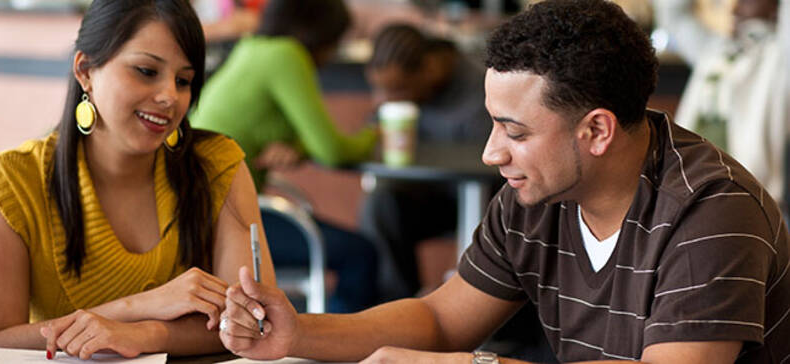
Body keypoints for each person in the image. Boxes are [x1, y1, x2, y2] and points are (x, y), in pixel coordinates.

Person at [217, 0, 790, 362]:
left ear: (596, 131)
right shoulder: (540, 190)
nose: (493, 152)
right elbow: (441, 320)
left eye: (513, 130)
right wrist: (298, 335)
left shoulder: (714, 212)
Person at [0, 0, 275, 359]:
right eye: (146, 71)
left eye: (184, 80)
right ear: (85, 71)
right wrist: (143, 305)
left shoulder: (216, 166)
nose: (169, 97)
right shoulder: (11, 183)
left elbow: (251, 326)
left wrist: (148, 334)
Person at [191, 0, 380, 313]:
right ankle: (336, 352)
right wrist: (375, 133)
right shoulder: (286, 56)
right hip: (225, 218)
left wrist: (300, 147)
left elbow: (277, 132)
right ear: (320, 36)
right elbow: (332, 151)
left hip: (202, 211)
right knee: (361, 254)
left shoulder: (251, 48)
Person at [360, 23, 492, 298]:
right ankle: (396, 311)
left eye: (397, 89)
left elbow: (492, 168)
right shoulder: (397, 99)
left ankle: (497, 327)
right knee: (381, 204)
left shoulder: (479, 91)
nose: (384, 100)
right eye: (379, 90)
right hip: (430, 198)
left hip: (484, 202)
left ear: (430, 69)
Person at [655, 0, 788, 205]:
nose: (735, 7)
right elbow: (675, 16)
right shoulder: (714, 51)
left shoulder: (778, 60)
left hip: (751, 196)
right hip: (691, 188)